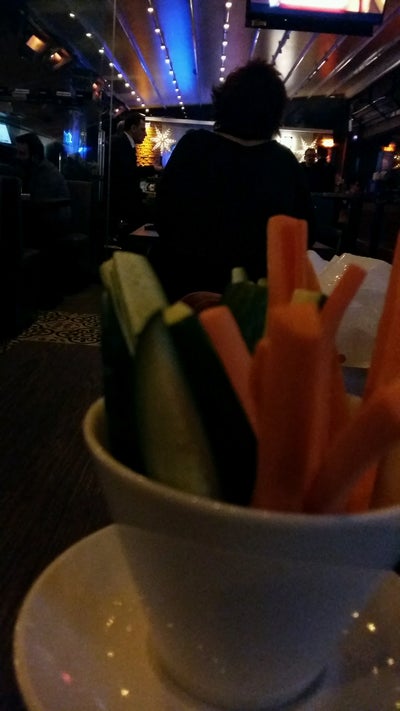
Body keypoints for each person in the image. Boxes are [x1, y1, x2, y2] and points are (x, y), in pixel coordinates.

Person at [153, 59, 315, 301]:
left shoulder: (194, 147)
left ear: (224, 102)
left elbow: (162, 217)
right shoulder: (285, 163)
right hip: (256, 302)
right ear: (275, 112)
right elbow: (305, 236)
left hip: (185, 292)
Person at [107, 111, 160, 238]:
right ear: (133, 128)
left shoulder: (126, 143)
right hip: (121, 203)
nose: (145, 134)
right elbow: (128, 173)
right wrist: (153, 169)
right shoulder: (122, 143)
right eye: (143, 129)